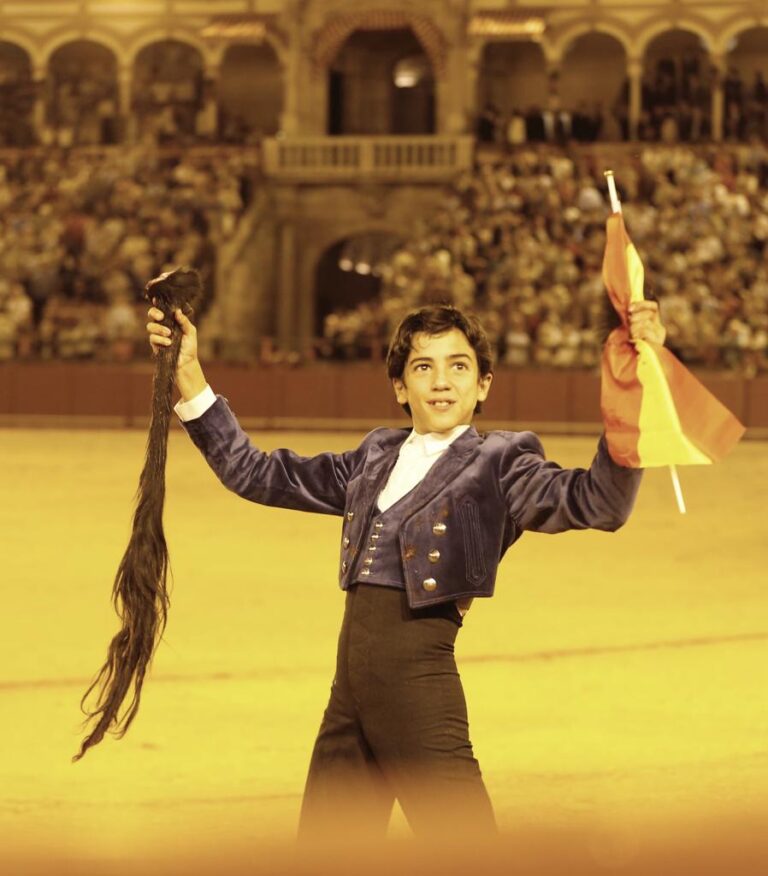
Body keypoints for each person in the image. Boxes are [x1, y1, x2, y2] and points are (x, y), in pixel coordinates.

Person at [146, 298, 666, 839]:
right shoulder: (373, 456)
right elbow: (254, 473)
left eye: (458, 366)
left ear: (484, 383)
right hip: (348, 699)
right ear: (400, 387)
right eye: (424, 367)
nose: (442, 382)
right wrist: (188, 372)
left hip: (421, 690)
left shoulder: (504, 463)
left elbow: (601, 503)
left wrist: (636, 387)